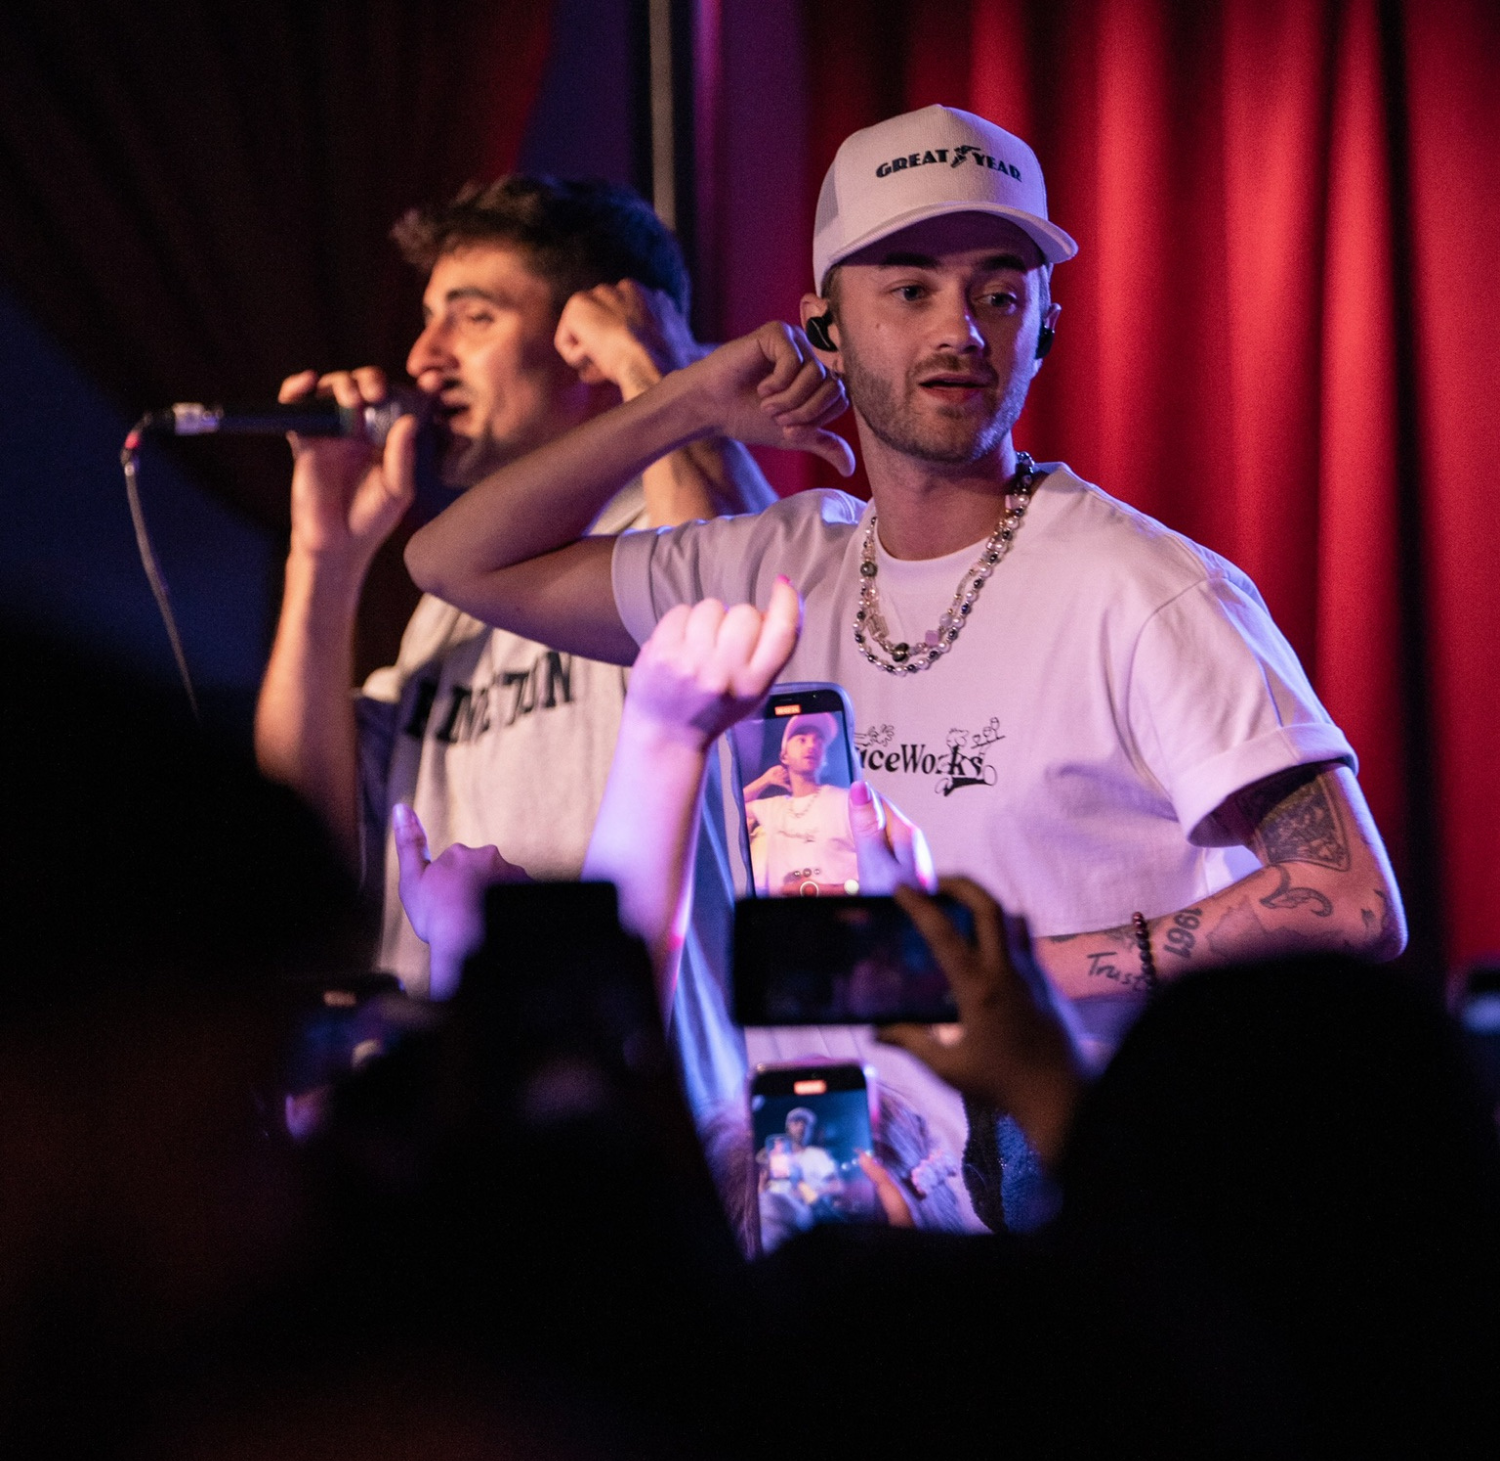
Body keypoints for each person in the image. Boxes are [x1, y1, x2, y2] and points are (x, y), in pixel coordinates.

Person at [401, 105, 1405, 1211]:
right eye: (911, 289)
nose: (960, 331)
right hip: (841, 1216)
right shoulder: (781, 563)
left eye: (999, 294)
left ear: (1045, 326)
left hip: (1081, 1218)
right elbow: (454, 562)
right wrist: (686, 395)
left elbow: (1352, 901)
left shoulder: (1146, 589)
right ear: (823, 328)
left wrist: (1011, 974)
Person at [252, 175, 777, 1054]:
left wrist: (652, 370)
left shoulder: (665, 524)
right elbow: (300, 829)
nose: (424, 357)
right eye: (430, 319)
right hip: (451, 1102)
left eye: (475, 316)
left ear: (586, 341)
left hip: (635, 1094)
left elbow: (737, 631)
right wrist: (325, 559)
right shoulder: (449, 604)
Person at [741, 711, 858, 895]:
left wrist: (826, 891)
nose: (812, 745)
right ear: (784, 756)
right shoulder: (773, 807)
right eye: (802, 739)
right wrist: (765, 780)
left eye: (819, 741)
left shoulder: (847, 802)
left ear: (824, 758)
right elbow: (733, 809)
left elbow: (876, 875)